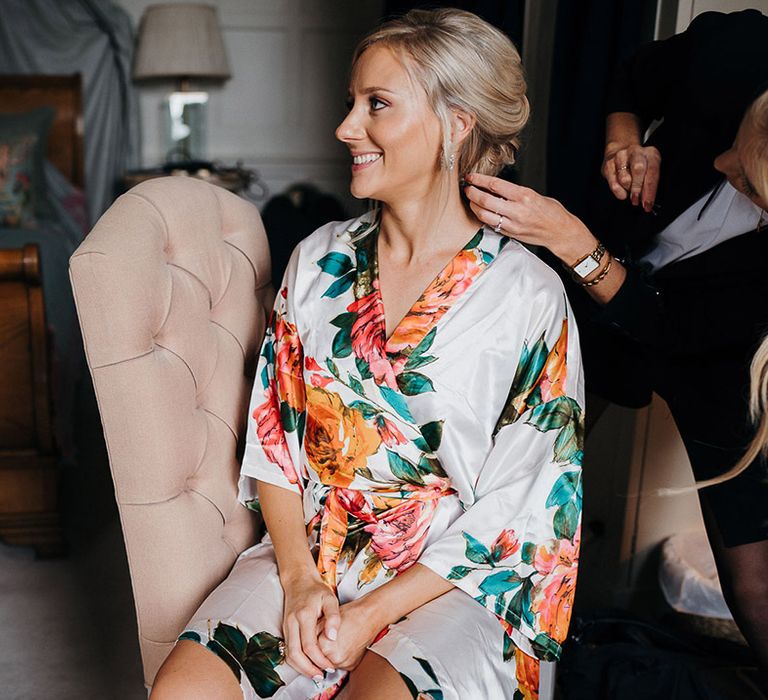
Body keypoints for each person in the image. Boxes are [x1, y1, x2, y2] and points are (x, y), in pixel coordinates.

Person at [150, 9, 584, 700]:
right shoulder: (317, 260)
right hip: (313, 554)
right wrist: (297, 580)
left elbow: (522, 513)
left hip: (456, 580)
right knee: (182, 692)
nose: (346, 127)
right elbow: (276, 441)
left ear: (456, 122)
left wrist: (371, 617)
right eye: (351, 103)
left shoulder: (526, 296)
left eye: (376, 105)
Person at [463, 9, 768, 689]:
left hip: (713, 351)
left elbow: (673, 331)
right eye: (737, 144)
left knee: (755, 575)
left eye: (745, 185)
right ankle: (480, 646)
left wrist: (573, 243)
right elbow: (633, 78)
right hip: (591, 297)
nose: (720, 166)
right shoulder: (740, 48)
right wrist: (625, 141)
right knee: (515, 474)